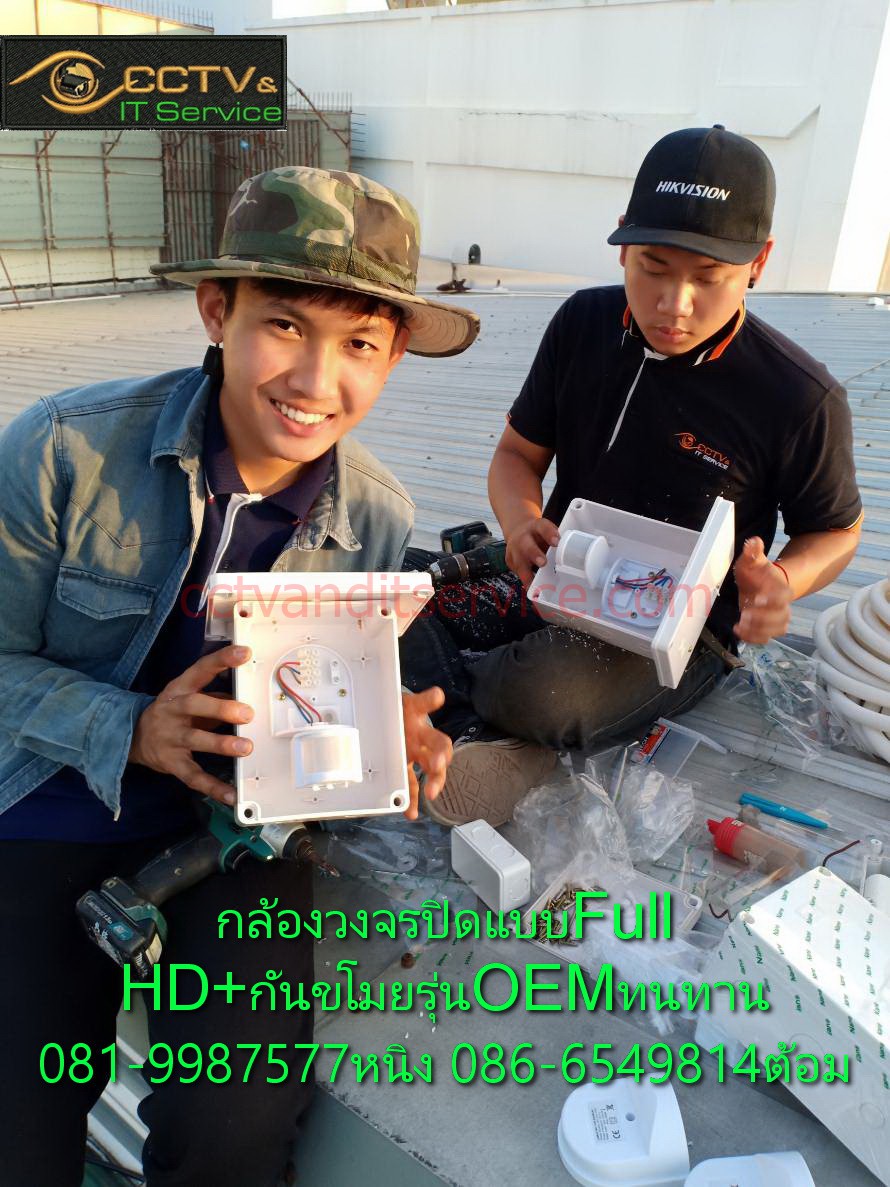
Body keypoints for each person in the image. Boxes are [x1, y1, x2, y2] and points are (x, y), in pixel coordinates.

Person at [0, 166, 477, 1187]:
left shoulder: (377, 514)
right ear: (217, 311)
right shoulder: (64, 449)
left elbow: (315, 694)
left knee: (235, 1128)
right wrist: (133, 727)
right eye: (285, 325)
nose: (315, 381)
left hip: (236, 831)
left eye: (360, 343)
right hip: (46, 799)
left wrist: (371, 726)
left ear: (394, 354)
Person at [402, 125, 862, 828]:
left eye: (708, 277)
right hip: (558, 573)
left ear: (759, 263)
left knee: (547, 693)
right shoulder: (582, 325)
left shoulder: (799, 396)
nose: (675, 303)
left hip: (681, 626)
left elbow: (836, 530)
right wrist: (521, 522)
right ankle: (479, 729)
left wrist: (782, 581)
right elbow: (517, 456)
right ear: (622, 242)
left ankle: (475, 716)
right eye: (653, 266)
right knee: (385, 590)